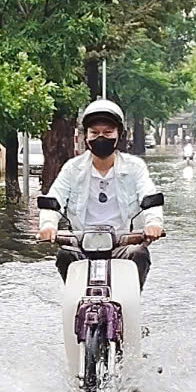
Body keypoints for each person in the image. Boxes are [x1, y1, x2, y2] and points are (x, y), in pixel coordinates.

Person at [38, 99, 164, 287]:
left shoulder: (135, 167)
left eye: (108, 132)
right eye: (95, 133)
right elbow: (54, 198)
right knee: (64, 255)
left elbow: (149, 196)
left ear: (119, 134)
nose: (101, 137)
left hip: (124, 246)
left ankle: (130, 303)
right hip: (81, 246)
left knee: (139, 254)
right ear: (86, 137)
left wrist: (153, 224)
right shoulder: (72, 168)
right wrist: (48, 225)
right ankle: (74, 303)